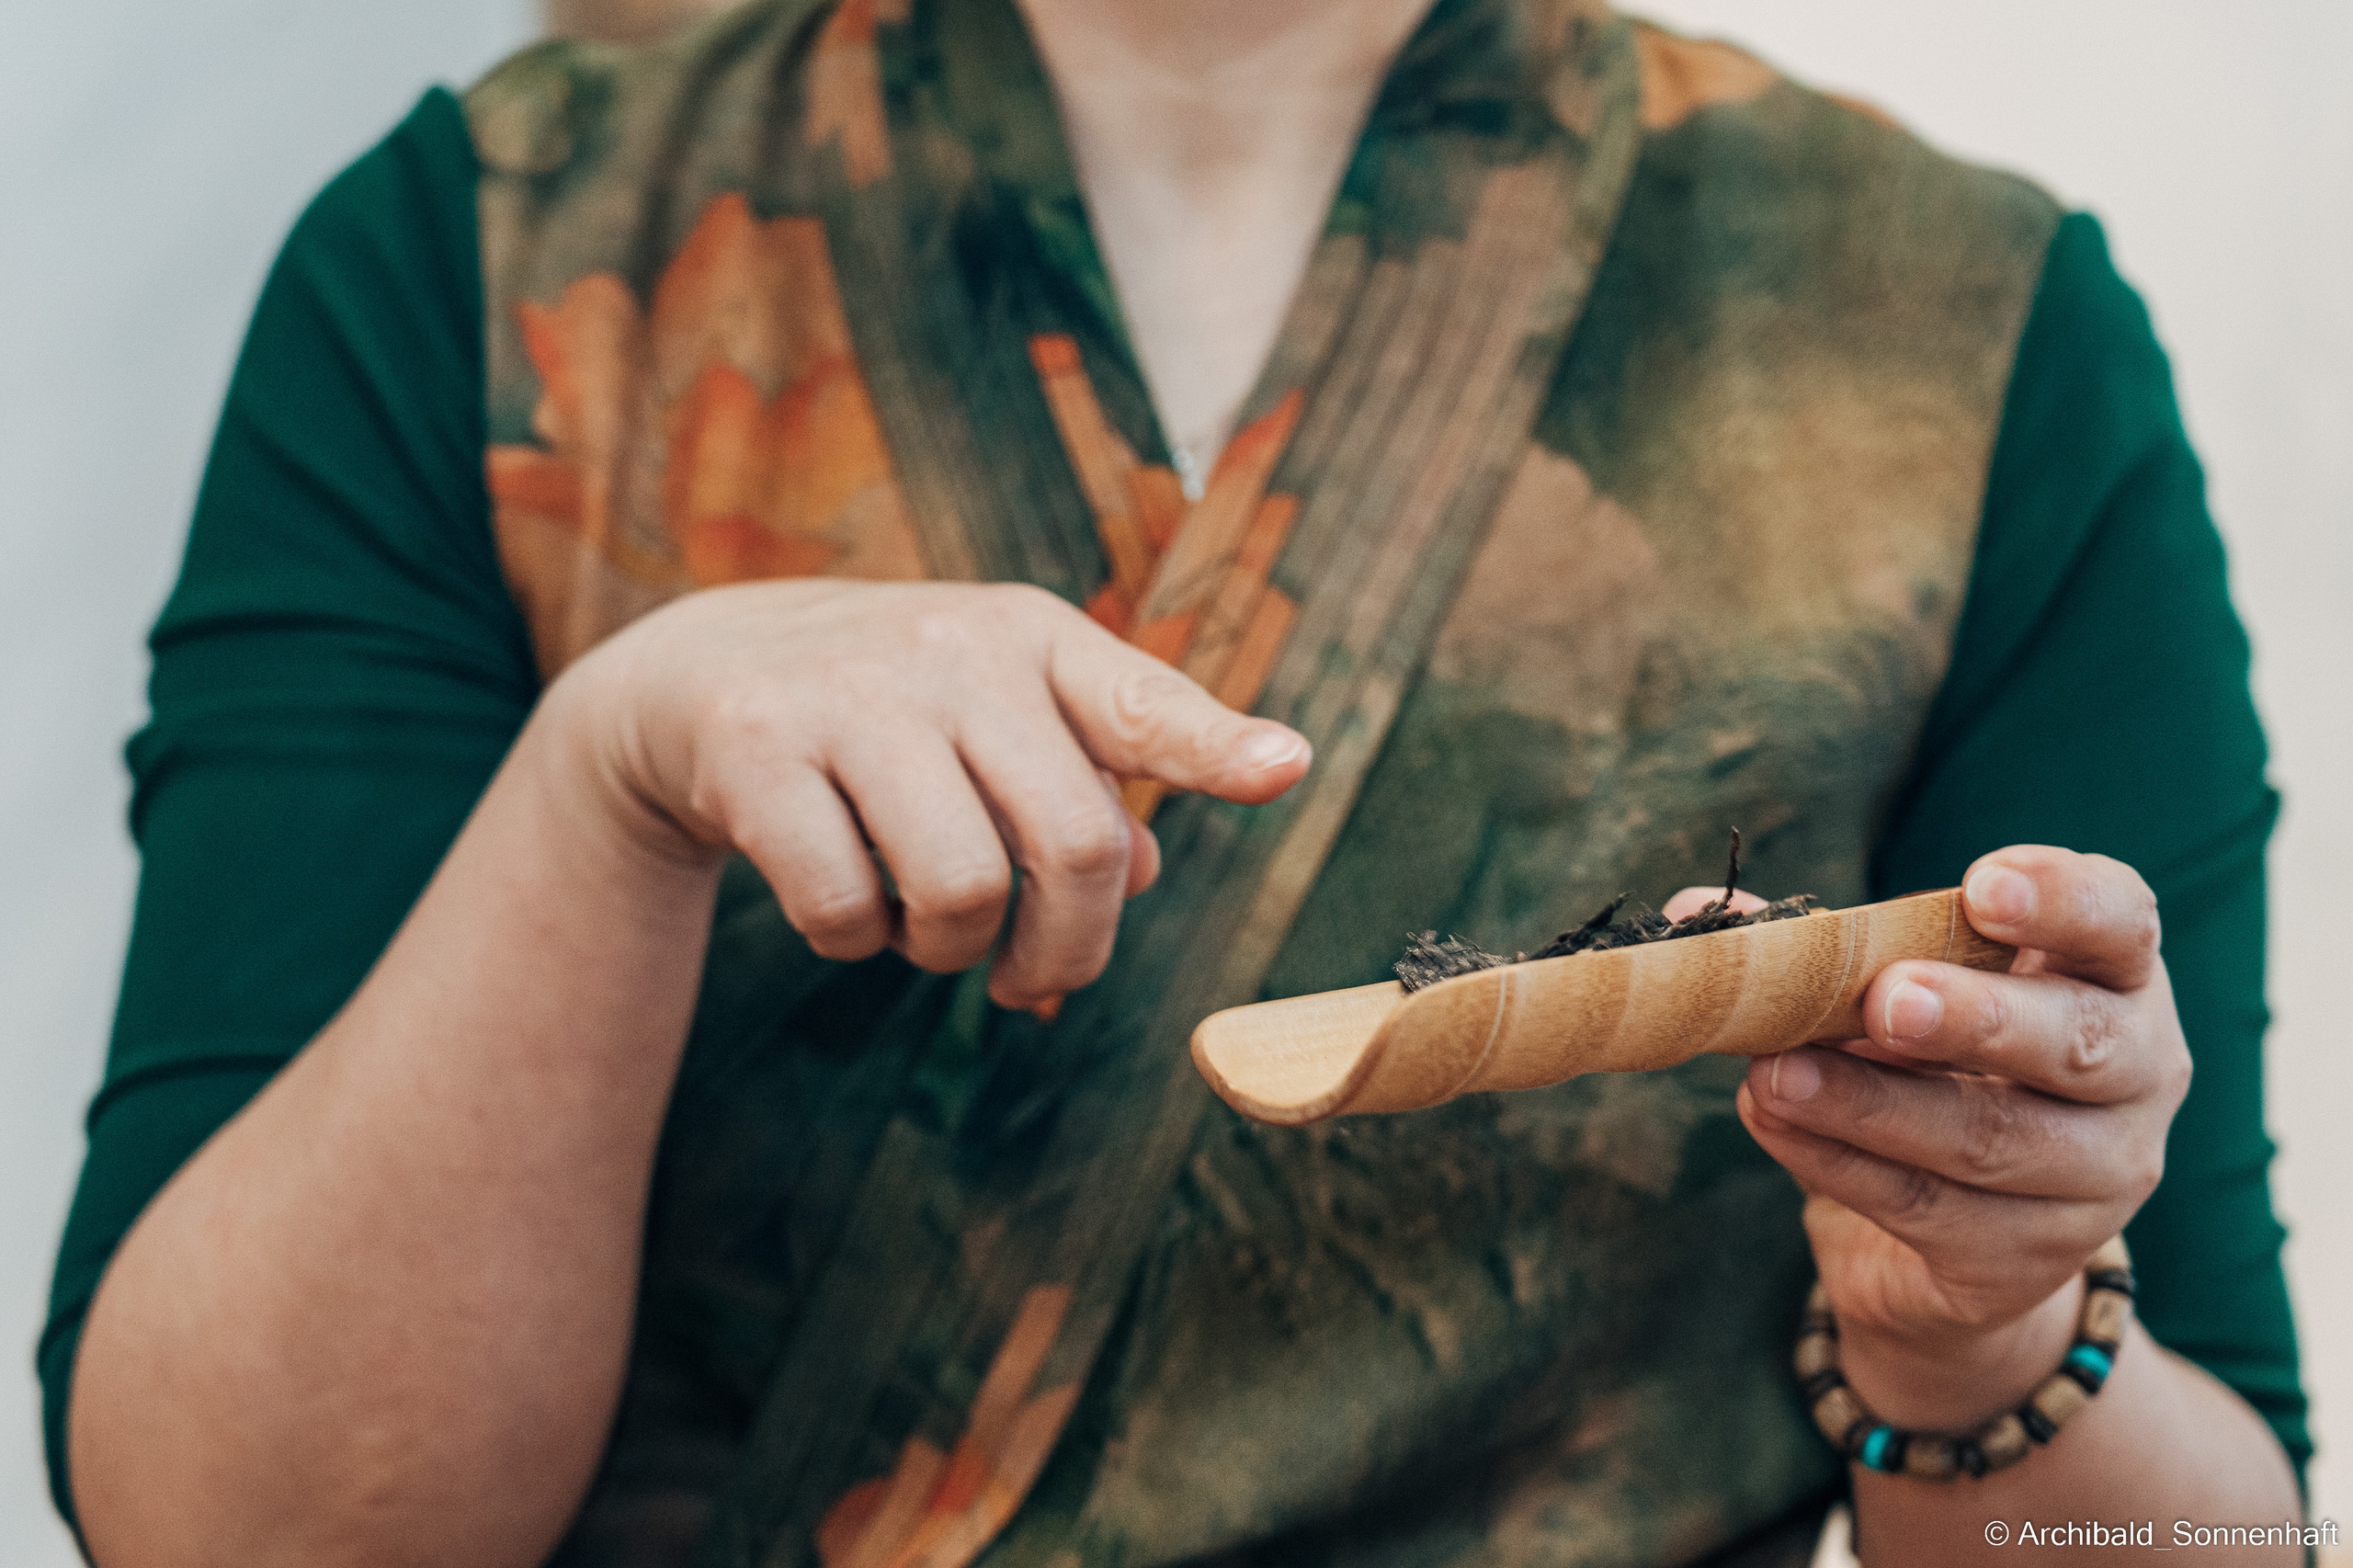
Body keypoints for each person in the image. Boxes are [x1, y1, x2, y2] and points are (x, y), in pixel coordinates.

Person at [42, 0, 2308, 1562]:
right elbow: (223, 1525)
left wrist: (1989, 1335)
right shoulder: (479, 260)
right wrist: (605, 780)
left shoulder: (1942, 329)